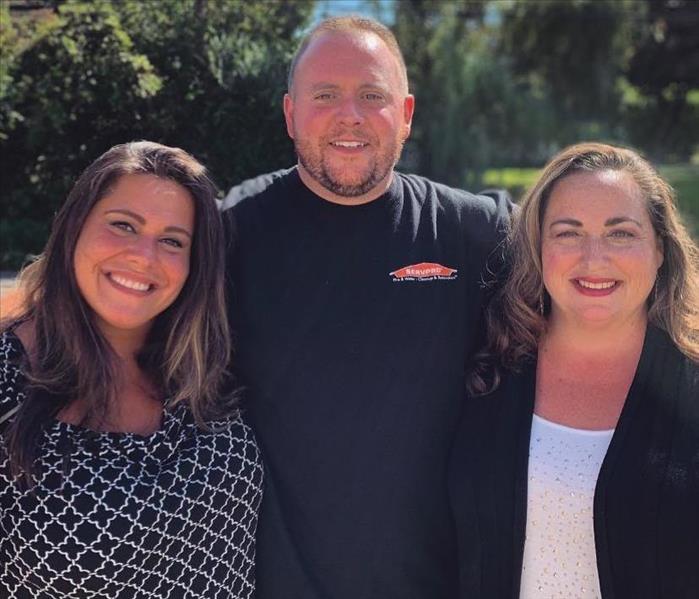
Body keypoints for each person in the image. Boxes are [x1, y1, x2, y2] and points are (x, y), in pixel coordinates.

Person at [221, 16, 511, 599]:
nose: (349, 115)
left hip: (437, 584)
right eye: (325, 95)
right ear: (290, 113)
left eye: (371, 95)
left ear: (405, 113)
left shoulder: (473, 232)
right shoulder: (232, 231)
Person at [0, 141, 263, 598]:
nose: (145, 256)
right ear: (74, 226)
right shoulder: (10, 378)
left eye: (172, 241)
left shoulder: (207, 366)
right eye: (123, 225)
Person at [450, 142, 699, 599]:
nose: (594, 258)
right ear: (538, 247)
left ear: (660, 249)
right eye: (568, 233)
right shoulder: (488, 374)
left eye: (621, 233)